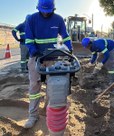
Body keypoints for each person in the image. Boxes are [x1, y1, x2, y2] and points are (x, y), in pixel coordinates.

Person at [24, 0, 73, 135]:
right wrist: (33, 50)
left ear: (53, 9)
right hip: (36, 57)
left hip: (52, 58)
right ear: (38, 8)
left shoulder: (58, 19)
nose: (46, 13)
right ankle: (33, 116)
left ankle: (49, 111)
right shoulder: (32, 19)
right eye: (43, 11)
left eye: (48, 11)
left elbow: (65, 36)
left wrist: (70, 49)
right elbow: (28, 39)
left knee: (53, 86)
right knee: (34, 87)